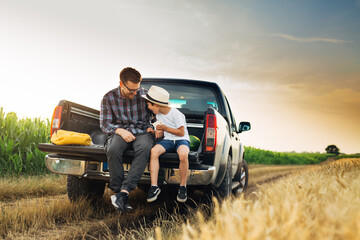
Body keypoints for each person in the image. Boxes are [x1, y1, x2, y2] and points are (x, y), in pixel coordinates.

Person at [100, 67, 155, 212]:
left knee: (145, 148)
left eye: (137, 89)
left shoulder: (145, 94)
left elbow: (157, 114)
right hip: (120, 132)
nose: (135, 93)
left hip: (142, 131)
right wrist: (119, 130)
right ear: (121, 83)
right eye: (131, 90)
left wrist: (154, 126)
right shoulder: (108, 97)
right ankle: (118, 193)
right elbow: (104, 124)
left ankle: (125, 191)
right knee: (112, 148)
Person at [141, 85, 190, 203]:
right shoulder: (158, 115)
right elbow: (162, 133)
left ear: (156, 104)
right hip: (168, 141)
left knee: (183, 154)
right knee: (154, 151)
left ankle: (183, 186)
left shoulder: (176, 114)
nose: (148, 107)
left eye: (149, 104)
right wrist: (155, 131)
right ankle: (154, 186)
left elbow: (181, 132)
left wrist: (165, 128)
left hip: (181, 140)